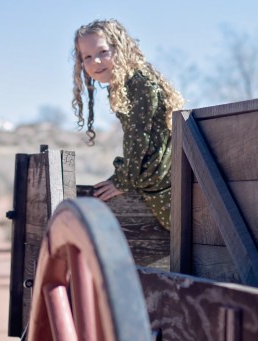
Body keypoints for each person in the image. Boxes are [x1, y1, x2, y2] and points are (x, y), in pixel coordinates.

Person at [71, 18, 184, 229]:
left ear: (120, 49)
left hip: (163, 177)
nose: (95, 61)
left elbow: (140, 138)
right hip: (155, 170)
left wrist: (123, 181)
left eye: (103, 52)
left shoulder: (138, 83)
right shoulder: (123, 86)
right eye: (87, 56)